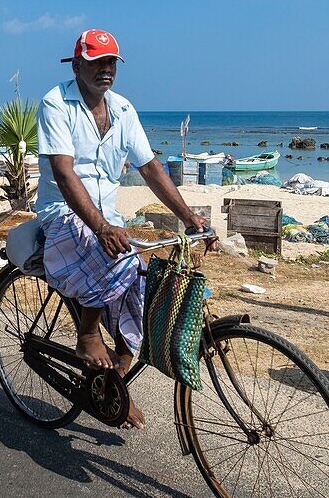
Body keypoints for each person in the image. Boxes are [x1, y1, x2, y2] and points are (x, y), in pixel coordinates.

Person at [35, 29, 212, 429]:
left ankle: (113, 379)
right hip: (63, 216)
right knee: (122, 256)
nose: (106, 70)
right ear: (77, 65)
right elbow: (63, 173)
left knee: (145, 289)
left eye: (112, 62)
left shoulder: (124, 110)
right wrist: (98, 226)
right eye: (98, 62)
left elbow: (150, 167)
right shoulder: (55, 103)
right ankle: (86, 335)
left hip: (106, 221)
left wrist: (188, 217)